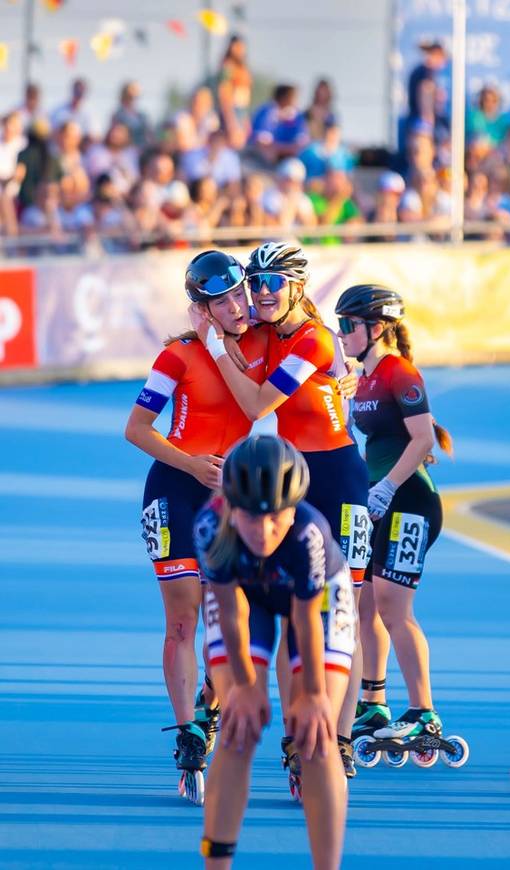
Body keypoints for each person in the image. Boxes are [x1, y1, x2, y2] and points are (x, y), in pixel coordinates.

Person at [190, 242, 370, 783]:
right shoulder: (263, 333)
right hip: (293, 479)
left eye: (274, 283)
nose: (261, 293)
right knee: (283, 612)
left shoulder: (314, 338)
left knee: (342, 614)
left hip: (338, 476)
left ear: (297, 287)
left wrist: (351, 366)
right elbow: (209, 318)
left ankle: (337, 739)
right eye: (256, 282)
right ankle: (227, 705)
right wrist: (207, 327)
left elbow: (254, 404)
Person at [124, 251, 269, 801]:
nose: (236, 307)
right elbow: (136, 429)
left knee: (234, 618)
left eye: (240, 295)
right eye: (221, 301)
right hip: (175, 489)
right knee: (183, 621)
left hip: (229, 498)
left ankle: (208, 704)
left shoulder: (262, 342)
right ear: (200, 309)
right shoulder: (177, 355)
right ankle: (187, 731)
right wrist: (189, 463)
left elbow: (314, 355)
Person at [196, 435, 353, 870]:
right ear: (229, 506)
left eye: (276, 518)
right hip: (248, 599)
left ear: (293, 508)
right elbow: (229, 613)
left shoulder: (309, 531)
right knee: (237, 728)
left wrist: (313, 695)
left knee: (317, 737)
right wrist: (245, 687)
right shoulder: (210, 528)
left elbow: (305, 621)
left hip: (317, 602)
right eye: (250, 516)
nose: (263, 531)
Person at [334, 285, 455, 752]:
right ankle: (374, 700)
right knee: (364, 604)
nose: (342, 334)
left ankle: (424, 712)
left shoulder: (399, 372)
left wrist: (385, 487)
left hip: (410, 501)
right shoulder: (361, 375)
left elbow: (422, 439)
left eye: (349, 325)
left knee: (392, 606)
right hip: (377, 501)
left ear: (376, 328)